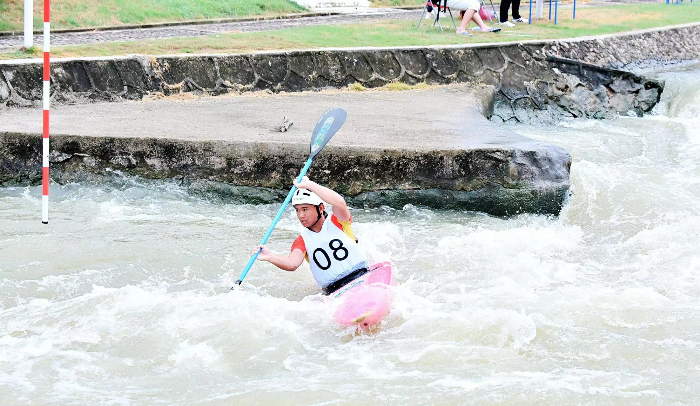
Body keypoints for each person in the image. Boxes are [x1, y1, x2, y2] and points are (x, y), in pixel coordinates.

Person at [253, 176, 371, 295]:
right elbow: (292, 264)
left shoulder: (338, 221)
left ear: (321, 208)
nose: (301, 215)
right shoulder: (302, 240)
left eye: (305, 209)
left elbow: (340, 203)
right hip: (333, 291)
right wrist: (269, 256)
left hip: (362, 276)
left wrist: (309, 184)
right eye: (297, 210)